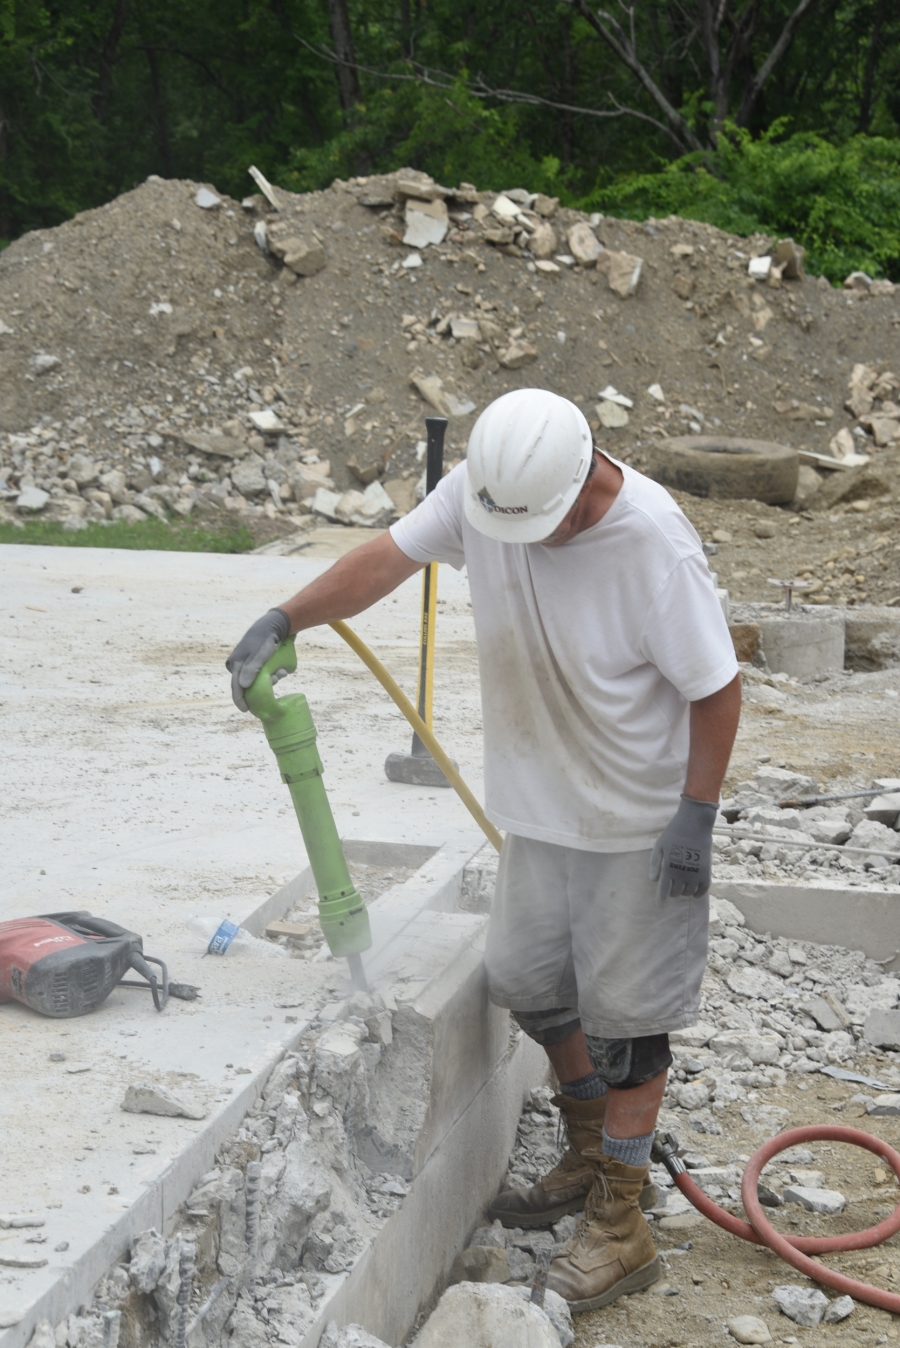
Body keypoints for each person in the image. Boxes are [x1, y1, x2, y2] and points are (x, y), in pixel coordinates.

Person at [226, 388, 741, 1314]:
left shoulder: (655, 544)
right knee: (530, 984)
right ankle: (591, 1152)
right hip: (540, 811)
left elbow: (716, 688)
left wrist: (695, 815)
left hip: (637, 822)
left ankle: (623, 1223)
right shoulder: (492, 492)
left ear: (585, 479)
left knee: (629, 1026)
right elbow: (387, 559)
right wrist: (286, 617)